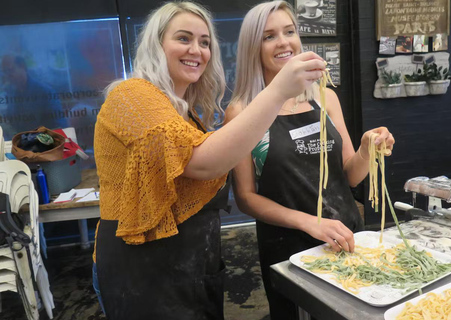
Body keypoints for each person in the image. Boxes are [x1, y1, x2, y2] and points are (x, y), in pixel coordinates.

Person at [93, 1, 326, 319]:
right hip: (143, 271)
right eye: (184, 38)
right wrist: (278, 93)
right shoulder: (132, 96)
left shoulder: (185, 116)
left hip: (193, 269)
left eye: (205, 43)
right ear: (156, 44)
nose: (197, 50)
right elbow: (203, 163)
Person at [225, 2, 395, 319]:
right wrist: (309, 222)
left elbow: (350, 175)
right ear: (253, 47)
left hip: (344, 238)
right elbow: (246, 197)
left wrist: (366, 150)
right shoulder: (242, 110)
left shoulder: (324, 96)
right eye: (269, 36)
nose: (284, 42)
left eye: (289, 32)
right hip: (287, 246)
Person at [0, 55, 67, 135]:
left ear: (22, 66)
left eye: (10, 71)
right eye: (4, 72)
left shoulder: (45, 92)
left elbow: (59, 127)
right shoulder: (10, 94)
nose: (8, 76)